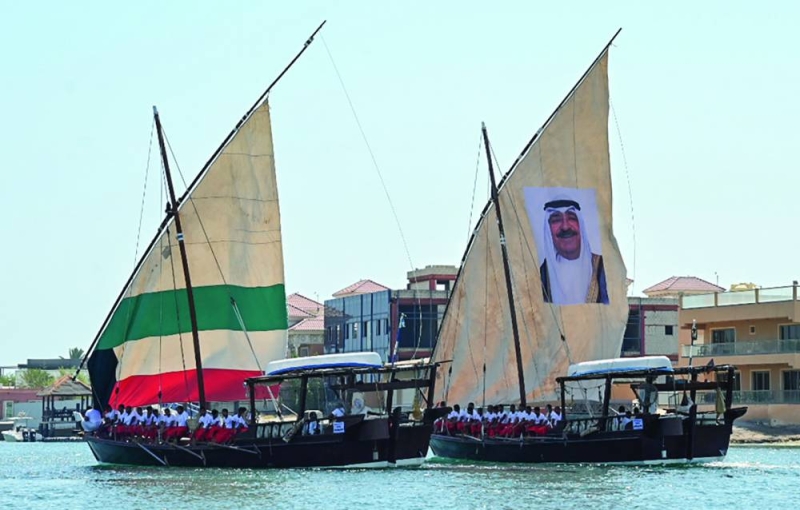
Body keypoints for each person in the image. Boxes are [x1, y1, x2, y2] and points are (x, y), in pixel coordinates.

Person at [539, 197, 608, 305]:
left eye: (571, 218)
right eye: (556, 220)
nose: (565, 227)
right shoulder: (542, 274)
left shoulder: (602, 267)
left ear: (581, 225)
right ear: (548, 230)